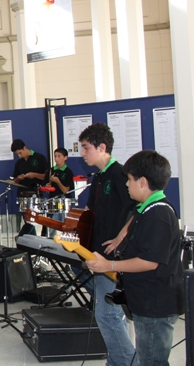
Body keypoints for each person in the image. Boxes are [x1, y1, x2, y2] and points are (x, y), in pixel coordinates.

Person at [86, 150, 184, 366]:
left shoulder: (158, 215)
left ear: (142, 182)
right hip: (145, 302)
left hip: (155, 305)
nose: (127, 185)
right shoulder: (145, 210)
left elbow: (149, 261)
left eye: (129, 180)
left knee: (152, 361)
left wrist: (108, 265)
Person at [79, 123, 137, 366]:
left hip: (113, 256)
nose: (82, 153)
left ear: (102, 147)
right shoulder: (99, 177)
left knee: (105, 315)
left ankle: (128, 362)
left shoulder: (121, 174)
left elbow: (138, 209)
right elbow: (90, 210)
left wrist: (121, 235)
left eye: (85, 148)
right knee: (105, 311)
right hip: (97, 252)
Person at [11, 139, 49, 236]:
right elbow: (14, 180)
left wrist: (35, 175)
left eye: (20, 153)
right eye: (17, 155)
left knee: (33, 219)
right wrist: (19, 178)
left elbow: (47, 176)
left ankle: (24, 237)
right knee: (27, 220)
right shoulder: (19, 163)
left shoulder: (40, 158)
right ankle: (31, 240)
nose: (19, 156)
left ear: (25, 148)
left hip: (35, 194)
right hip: (22, 194)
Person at [43, 147, 74, 237]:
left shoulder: (68, 172)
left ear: (65, 158)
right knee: (52, 224)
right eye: (55, 156)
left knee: (62, 223)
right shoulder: (50, 171)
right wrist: (47, 187)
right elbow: (45, 188)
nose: (56, 158)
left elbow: (66, 191)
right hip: (52, 201)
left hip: (63, 201)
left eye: (59, 156)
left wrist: (58, 181)